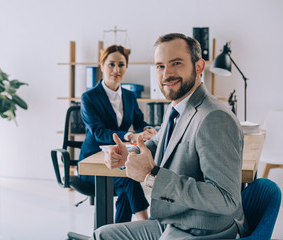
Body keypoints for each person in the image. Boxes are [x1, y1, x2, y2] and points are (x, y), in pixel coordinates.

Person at [95, 33, 249, 239]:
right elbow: (158, 143)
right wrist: (127, 155)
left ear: (199, 66)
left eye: (176, 63)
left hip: (205, 230)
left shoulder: (214, 117)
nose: (166, 74)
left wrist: (151, 176)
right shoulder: (177, 107)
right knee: (102, 235)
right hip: (175, 220)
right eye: (160, 66)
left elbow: (226, 199)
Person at [79, 45, 156, 223]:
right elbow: (98, 132)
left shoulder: (129, 96)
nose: (116, 69)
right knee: (129, 179)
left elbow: (139, 122)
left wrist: (147, 130)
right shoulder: (89, 97)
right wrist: (129, 136)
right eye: (111, 64)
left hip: (117, 160)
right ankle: (145, 225)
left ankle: (118, 233)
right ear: (102, 66)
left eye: (121, 65)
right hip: (92, 162)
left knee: (126, 189)